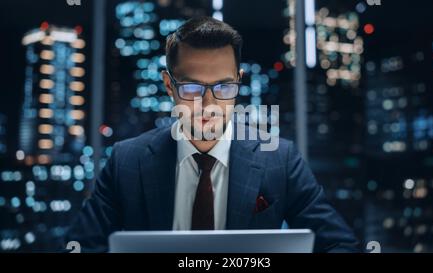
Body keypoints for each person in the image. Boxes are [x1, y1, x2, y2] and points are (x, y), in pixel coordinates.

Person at [64, 16, 359, 253]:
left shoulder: (280, 159)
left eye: (223, 87)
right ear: (169, 85)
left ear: (239, 83)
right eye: (191, 88)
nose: (208, 104)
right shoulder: (125, 162)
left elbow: (340, 244)